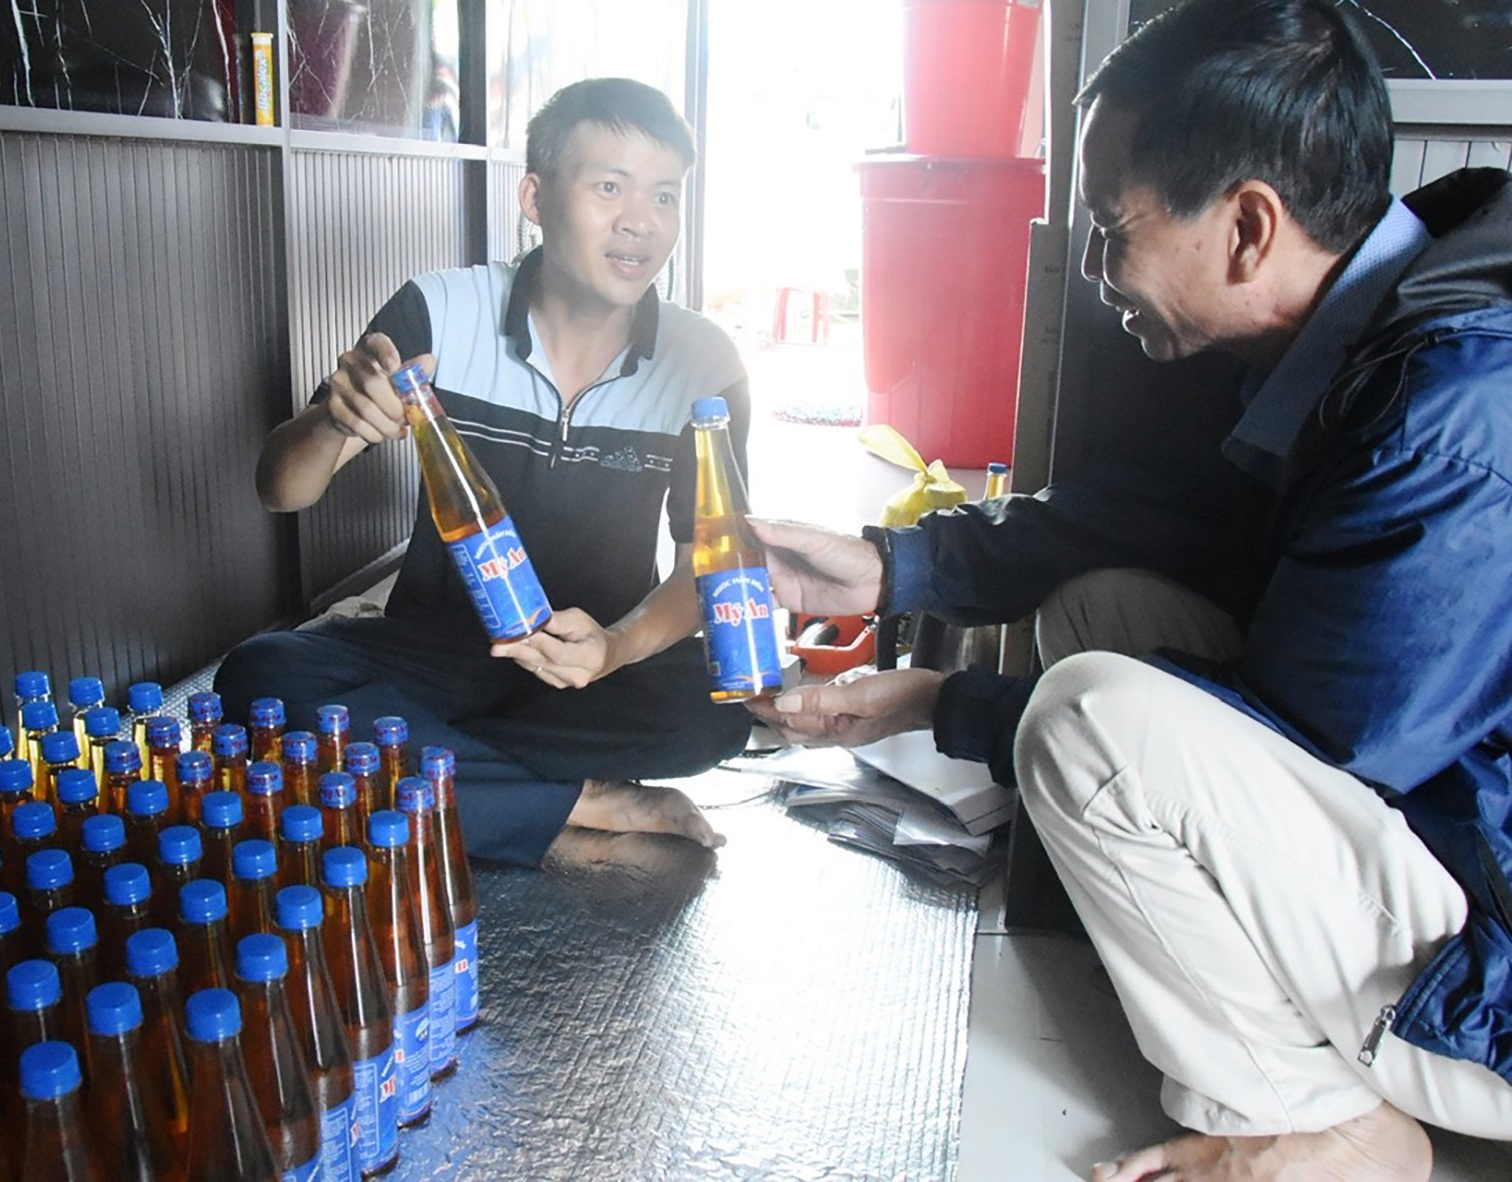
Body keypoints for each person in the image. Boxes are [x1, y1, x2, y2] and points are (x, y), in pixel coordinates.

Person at [749, 2, 1512, 1178]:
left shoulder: (1442, 418)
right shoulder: (1366, 335)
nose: (1096, 270)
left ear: (1246, 227)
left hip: (1488, 981)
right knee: (1098, 608)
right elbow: (1164, 517)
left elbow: (1313, 742)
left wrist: (936, 703)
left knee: (1087, 719)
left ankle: (1314, 1123)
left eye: (1111, 231)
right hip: (1442, 831)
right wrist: (892, 564)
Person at [215, 78, 752, 868]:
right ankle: (576, 799)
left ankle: (430, 772)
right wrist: (334, 421)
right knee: (259, 674)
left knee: (720, 706)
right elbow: (280, 488)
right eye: (609, 187)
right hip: (436, 655)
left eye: (665, 195)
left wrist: (615, 645)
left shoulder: (703, 360)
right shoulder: (440, 314)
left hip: (590, 669)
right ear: (535, 197)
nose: (641, 221)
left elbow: (713, 563)